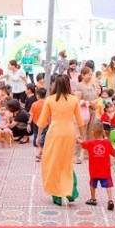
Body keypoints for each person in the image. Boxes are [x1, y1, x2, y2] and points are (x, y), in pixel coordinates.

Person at [36, 74, 84, 206]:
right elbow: (80, 121)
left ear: (55, 84)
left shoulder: (50, 99)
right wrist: (82, 135)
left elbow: (43, 120)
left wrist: (39, 136)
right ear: (68, 84)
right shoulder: (73, 99)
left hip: (55, 132)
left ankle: (57, 195)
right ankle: (71, 192)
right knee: (67, 162)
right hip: (69, 132)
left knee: (53, 162)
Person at [81, 123, 115, 210]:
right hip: (105, 170)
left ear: (92, 132)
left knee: (92, 184)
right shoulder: (107, 143)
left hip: (94, 170)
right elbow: (113, 153)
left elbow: (82, 143)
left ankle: (93, 198)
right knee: (108, 185)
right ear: (103, 132)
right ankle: (110, 200)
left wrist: (77, 139)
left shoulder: (90, 143)